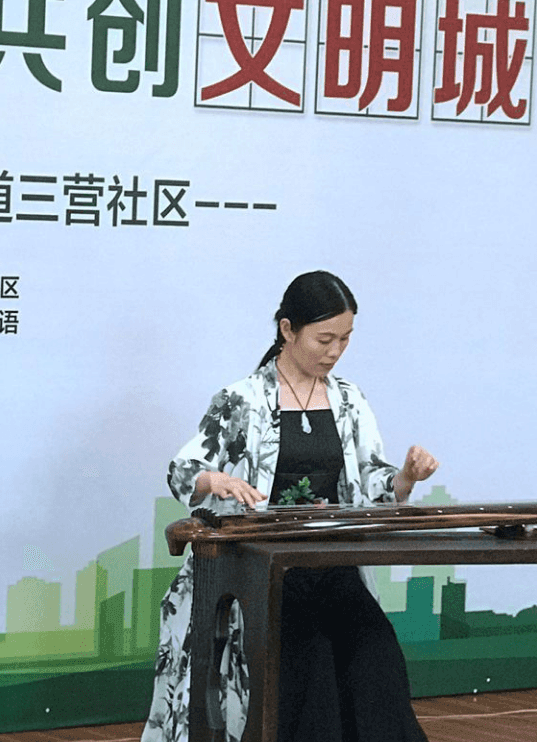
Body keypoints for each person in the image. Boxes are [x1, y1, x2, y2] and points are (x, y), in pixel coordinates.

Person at [141, 270, 440, 742]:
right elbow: (182, 470)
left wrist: (406, 477)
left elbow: (373, 484)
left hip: (331, 563)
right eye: (325, 339)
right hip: (263, 570)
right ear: (287, 329)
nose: (335, 351)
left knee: (375, 652)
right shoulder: (241, 400)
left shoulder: (349, 401)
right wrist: (215, 479)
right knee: (310, 657)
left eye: (345, 339)